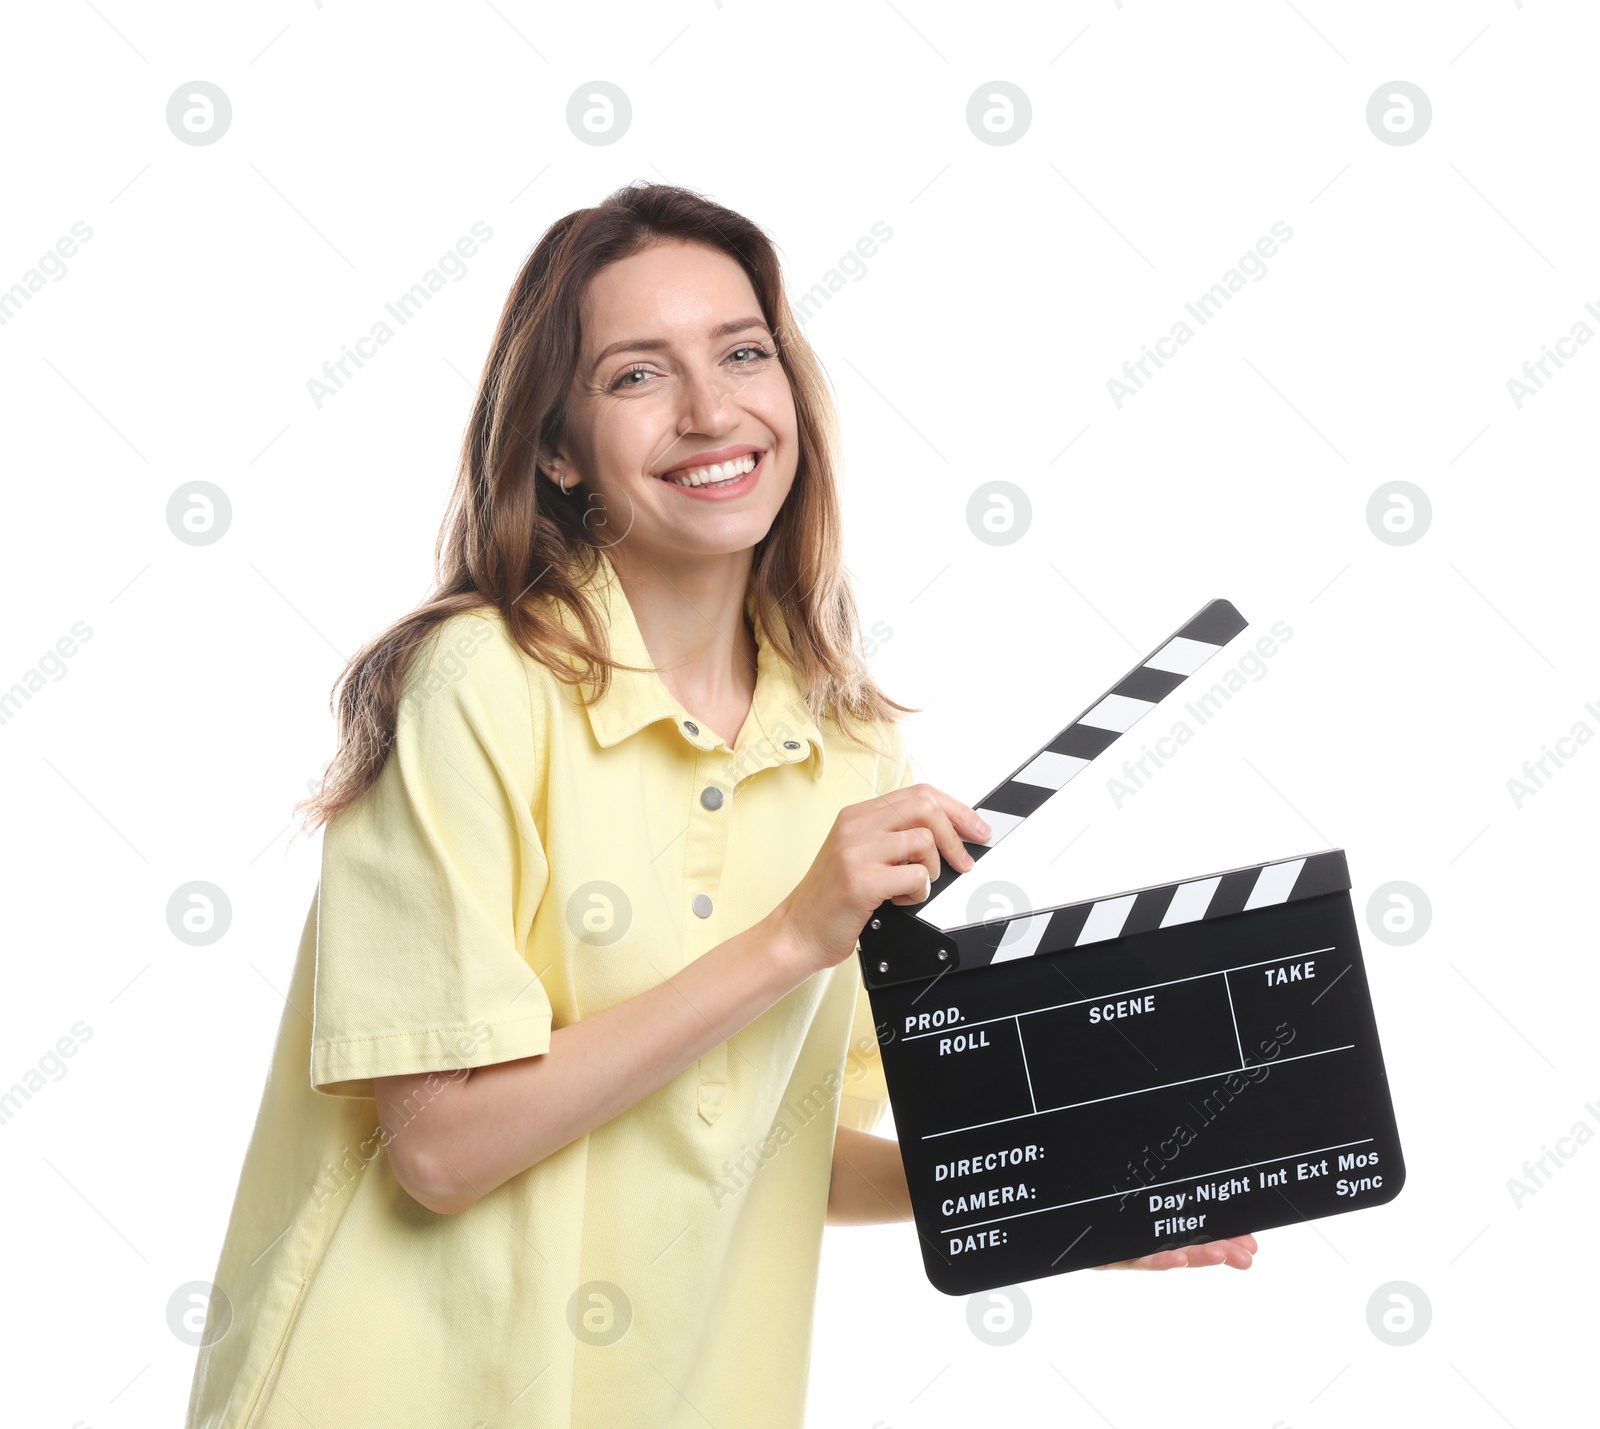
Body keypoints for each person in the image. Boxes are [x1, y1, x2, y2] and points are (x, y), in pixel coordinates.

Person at [183, 180, 1255, 1429]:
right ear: (556, 446)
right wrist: (791, 937)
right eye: (637, 374)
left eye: (743, 353)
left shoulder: (846, 746)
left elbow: (776, 1148)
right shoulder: (481, 684)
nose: (711, 412)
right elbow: (440, 1149)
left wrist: (1058, 1193)